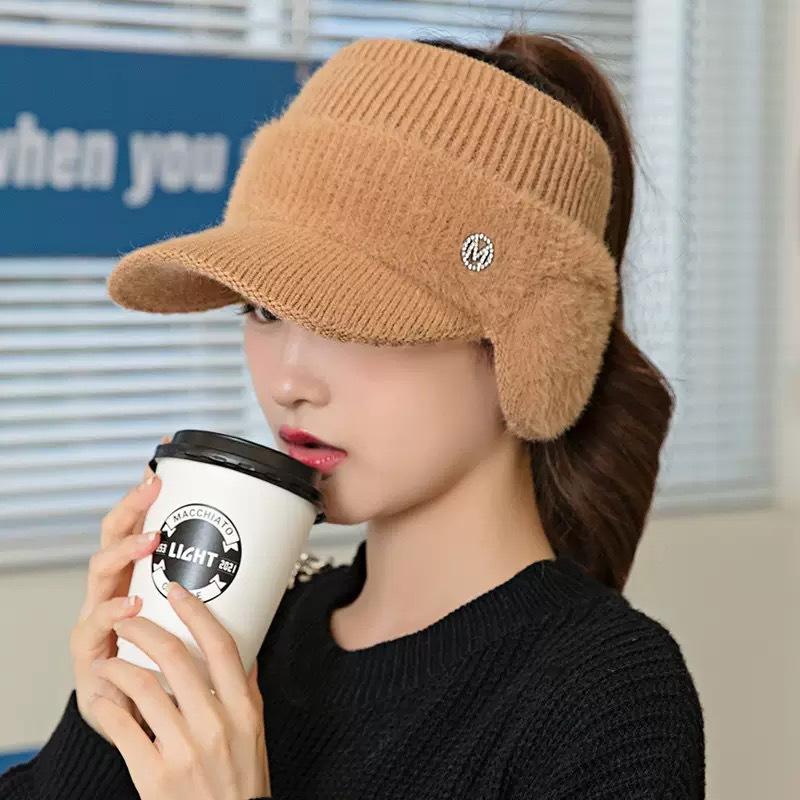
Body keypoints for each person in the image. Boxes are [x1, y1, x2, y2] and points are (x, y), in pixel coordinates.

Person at [0, 31, 705, 800]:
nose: (289, 382)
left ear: (534, 345)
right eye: (263, 310)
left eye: (354, 319)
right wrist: (117, 705)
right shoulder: (251, 623)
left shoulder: (607, 697)